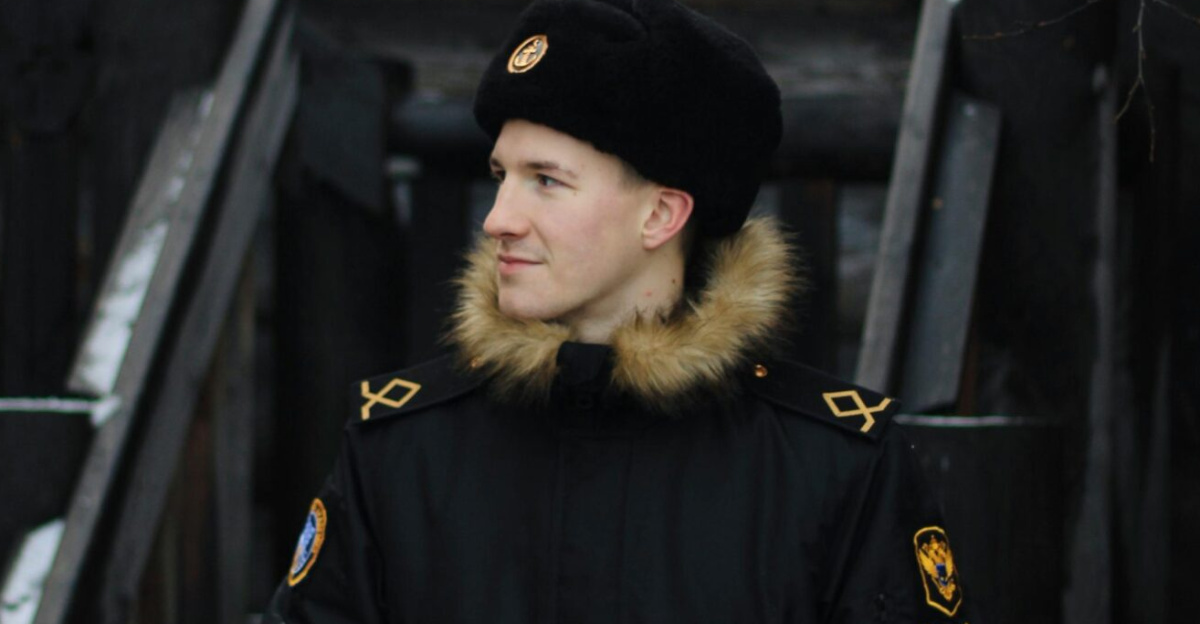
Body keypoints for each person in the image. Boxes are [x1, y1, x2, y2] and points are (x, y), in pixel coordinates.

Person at [265, 0, 971, 622]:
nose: (498, 220)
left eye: (546, 180)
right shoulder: (401, 453)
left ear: (661, 214)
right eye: (500, 176)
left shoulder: (835, 468)